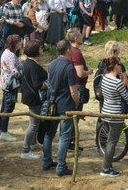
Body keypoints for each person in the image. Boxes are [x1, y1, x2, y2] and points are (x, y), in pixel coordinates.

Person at [42, 39, 80, 177]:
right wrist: (76, 103)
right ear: (68, 50)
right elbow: (73, 92)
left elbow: (50, 83)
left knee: (49, 134)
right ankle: (61, 166)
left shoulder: (51, 64)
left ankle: (46, 161)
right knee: (64, 137)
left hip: (52, 104)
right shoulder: (69, 67)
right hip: (66, 106)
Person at [99, 56, 128, 177]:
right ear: (114, 67)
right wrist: (124, 80)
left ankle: (108, 164)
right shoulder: (117, 83)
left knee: (109, 140)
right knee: (112, 142)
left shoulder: (104, 78)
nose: (120, 67)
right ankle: (106, 168)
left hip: (105, 112)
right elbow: (127, 98)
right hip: (116, 115)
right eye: (119, 65)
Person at [20, 40, 47, 160]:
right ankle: (25, 149)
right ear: (36, 51)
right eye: (40, 48)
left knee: (35, 122)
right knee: (33, 123)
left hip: (28, 95)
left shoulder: (27, 62)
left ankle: (33, 143)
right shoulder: (33, 66)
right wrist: (48, 86)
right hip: (34, 97)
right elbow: (37, 85)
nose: (42, 49)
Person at [0, 34, 23, 141]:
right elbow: (14, 72)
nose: (21, 43)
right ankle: (4, 131)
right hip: (10, 84)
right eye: (19, 41)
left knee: (4, 107)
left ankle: (1, 129)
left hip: (4, 82)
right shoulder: (11, 55)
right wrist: (22, 73)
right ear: (15, 43)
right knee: (8, 108)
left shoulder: (6, 52)